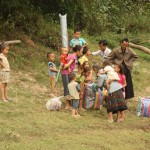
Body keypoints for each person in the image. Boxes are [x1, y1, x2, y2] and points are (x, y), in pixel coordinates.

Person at [61, 45, 82, 109]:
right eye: (81, 51)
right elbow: (66, 65)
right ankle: (67, 105)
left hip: (67, 74)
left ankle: (69, 104)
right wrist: (65, 67)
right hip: (65, 74)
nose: (81, 52)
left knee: (69, 88)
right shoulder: (73, 57)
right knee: (67, 89)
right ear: (78, 51)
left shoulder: (71, 56)